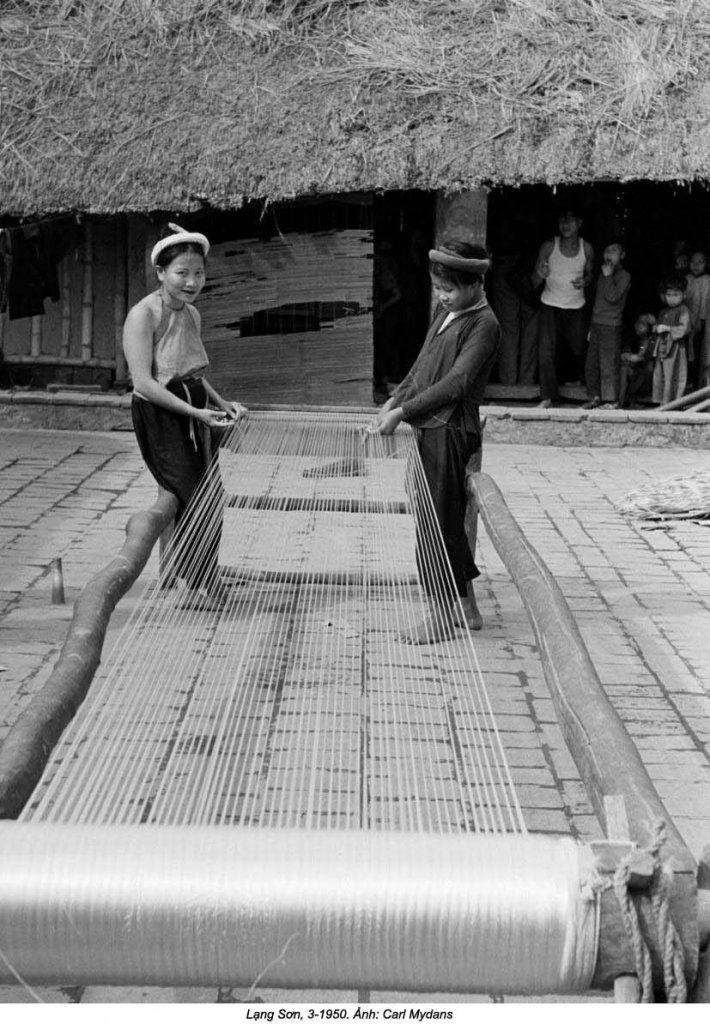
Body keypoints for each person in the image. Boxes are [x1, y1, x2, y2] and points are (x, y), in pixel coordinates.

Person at [369, 239, 500, 644]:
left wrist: (402, 413)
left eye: (450, 289)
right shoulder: (447, 311)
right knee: (442, 518)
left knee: (436, 524)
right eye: (438, 288)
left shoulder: (484, 323)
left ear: (476, 284)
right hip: (430, 427)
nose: (442, 295)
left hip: (451, 431)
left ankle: (440, 613)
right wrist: (393, 399)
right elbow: (423, 366)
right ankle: (468, 608)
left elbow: (457, 382)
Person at [123, 223, 246, 611]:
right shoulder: (143, 316)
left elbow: (192, 371)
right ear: (160, 272)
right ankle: (199, 586)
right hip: (161, 416)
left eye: (198, 273)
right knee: (192, 494)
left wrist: (220, 403)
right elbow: (144, 383)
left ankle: (203, 578)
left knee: (214, 494)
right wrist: (195, 411)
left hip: (194, 410)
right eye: (181, 273)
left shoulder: (191, 314)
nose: (191, 282)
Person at [533, 203, 594, 407]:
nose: (566, 224)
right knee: (546, 351)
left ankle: (590, 389)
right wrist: (540, 273)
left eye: (570, 220)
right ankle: (547, 397)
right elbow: (536, 273)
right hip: (550, 303)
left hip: (576, 305)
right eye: (562, 220)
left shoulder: (586, 248)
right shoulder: (549, 246)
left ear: (580, 223)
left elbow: (591, 273)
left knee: (579, 348)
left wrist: (585, 281)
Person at [583, 238, 631, 409]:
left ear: (622, 255)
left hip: (611, 325)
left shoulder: (624, 276)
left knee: (608, 364)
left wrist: (608, 276)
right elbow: (597, 301)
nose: (609, 254)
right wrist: (590, 326)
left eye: (614, 251)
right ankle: (595, 396)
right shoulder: (602, 273)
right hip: (597, 324)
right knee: (592, 364)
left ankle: (612, 401)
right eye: (607, 250)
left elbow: (613, 297)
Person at [651, 274, 692, 406]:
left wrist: (668, 328)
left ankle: (673, 404)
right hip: (662, 349)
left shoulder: (683, 310)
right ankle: (662, 402)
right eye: (669, 295)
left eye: (676, 295)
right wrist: (656, 327)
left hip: (675, 349)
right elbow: (658, 328)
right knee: (661, 374)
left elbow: (685, 329)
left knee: (674, 375)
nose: (672, 298)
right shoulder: (663, 311)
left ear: (683, 295)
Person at [683, 249, 710, 387]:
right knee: (685, 351)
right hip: (684, 322)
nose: (696, 265)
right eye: (693, 262)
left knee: (697, 351)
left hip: (698, 324)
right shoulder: (687, 279)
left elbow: (706, 302)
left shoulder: (706, 280)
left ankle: (694, 381)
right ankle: (685, 379)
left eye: (700, 262)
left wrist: (701, 320)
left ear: (706, 264)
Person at [619, 314, 655, 408]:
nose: (639, 326)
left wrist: (634, 357)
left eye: (643, 324)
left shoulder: (651, 341)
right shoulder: (632, 338)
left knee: (628, 369)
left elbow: (643, 359)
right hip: (634, 376)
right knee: (624, 368)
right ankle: (620, 402)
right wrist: (628, 356)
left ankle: (622, 403)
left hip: (645, 381)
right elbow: (624, 355)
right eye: (638, 322)